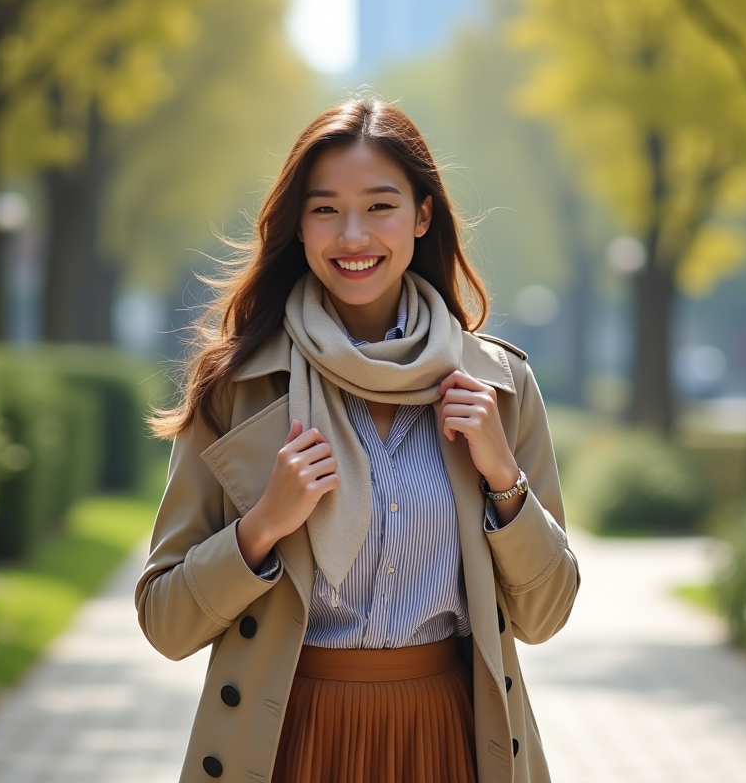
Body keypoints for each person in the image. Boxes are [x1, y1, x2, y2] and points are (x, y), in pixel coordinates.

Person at [136, 96, 580, 783]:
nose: (352, 236)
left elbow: (545, 615)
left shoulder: (498, 387)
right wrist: (260, 529)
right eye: (325, 210)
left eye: (379, 206)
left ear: (422, 215)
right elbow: (165, 622)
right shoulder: (239, 387)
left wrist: (503, 480)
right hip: (289, 735)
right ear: (298, 225)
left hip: (449, 738)